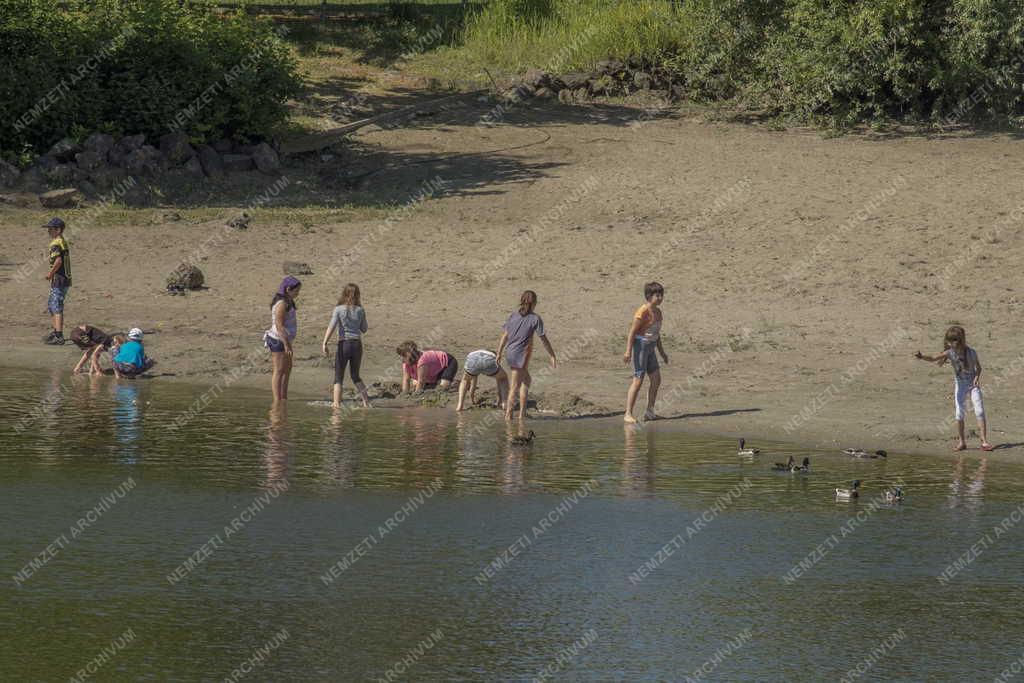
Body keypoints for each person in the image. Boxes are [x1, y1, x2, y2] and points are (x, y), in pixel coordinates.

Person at [914, 325, 993, 451]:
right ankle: (962, 442)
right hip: (960, 385)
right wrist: (922, 357)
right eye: (950, 341)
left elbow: (979, 368)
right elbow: (933, 358)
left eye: (955, 341)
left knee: (979, 410)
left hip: (973, 385)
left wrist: (977, 377)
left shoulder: (972, 353)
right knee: (959, 413)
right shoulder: (949, 353)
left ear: (961, 340)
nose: (952, 344)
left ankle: (984, 441)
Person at [496, 290, 556, 420]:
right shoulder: (535, 318)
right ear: (534, 303)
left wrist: (499, 353)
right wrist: (552, 355)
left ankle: (522, 413)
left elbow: (504, 336)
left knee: (526, 380)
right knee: (514, 386)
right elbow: (544, 339)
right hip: (520, 355)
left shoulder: (513, 315)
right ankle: (508, 416)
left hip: (509, 352)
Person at [623, 281, 670, 423]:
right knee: (638, 380)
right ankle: (628, 414)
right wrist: (628, 352)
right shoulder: (642, 311)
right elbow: (632, 332)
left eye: (662, 295)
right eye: (657, 295)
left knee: (656, 379)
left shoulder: (659, 312)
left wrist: (662, 353)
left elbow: (657, 334)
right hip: (641, 346)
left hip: (651, 347)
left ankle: (650, 412)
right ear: (649, 296)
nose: (660, 298)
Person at [321, 283, 371, 409]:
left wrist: (325, 342)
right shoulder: (360, 310)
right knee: (355, 375)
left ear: (344, 294)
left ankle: (336, 404)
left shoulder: (338, 309)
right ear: (358, 295)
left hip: (344, 344)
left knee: (338, 376)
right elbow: (364, 329)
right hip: (357, 345)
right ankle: (366, 402)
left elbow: (331, 326)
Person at [264, 276, 301, 402]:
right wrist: (286, 344)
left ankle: (283, 397)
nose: (298, 293)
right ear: (288, 289)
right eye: (296, 291)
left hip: (285, 340)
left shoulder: (288, 302)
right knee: (279, 370)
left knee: (288, 368)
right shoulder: (281, 304)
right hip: (277, 340)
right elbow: (279, 326)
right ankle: (277, 400)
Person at [42, 217, 71, 345]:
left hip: (59, 278)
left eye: (51, 229)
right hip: (65, 278)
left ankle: (59, 335)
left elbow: (58, 261)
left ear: (58, 230)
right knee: (52, 305)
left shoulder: (55, 243)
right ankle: (55, 332)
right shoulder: (62, 241)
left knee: (56, 306)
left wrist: (50, 274)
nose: (48, 231)